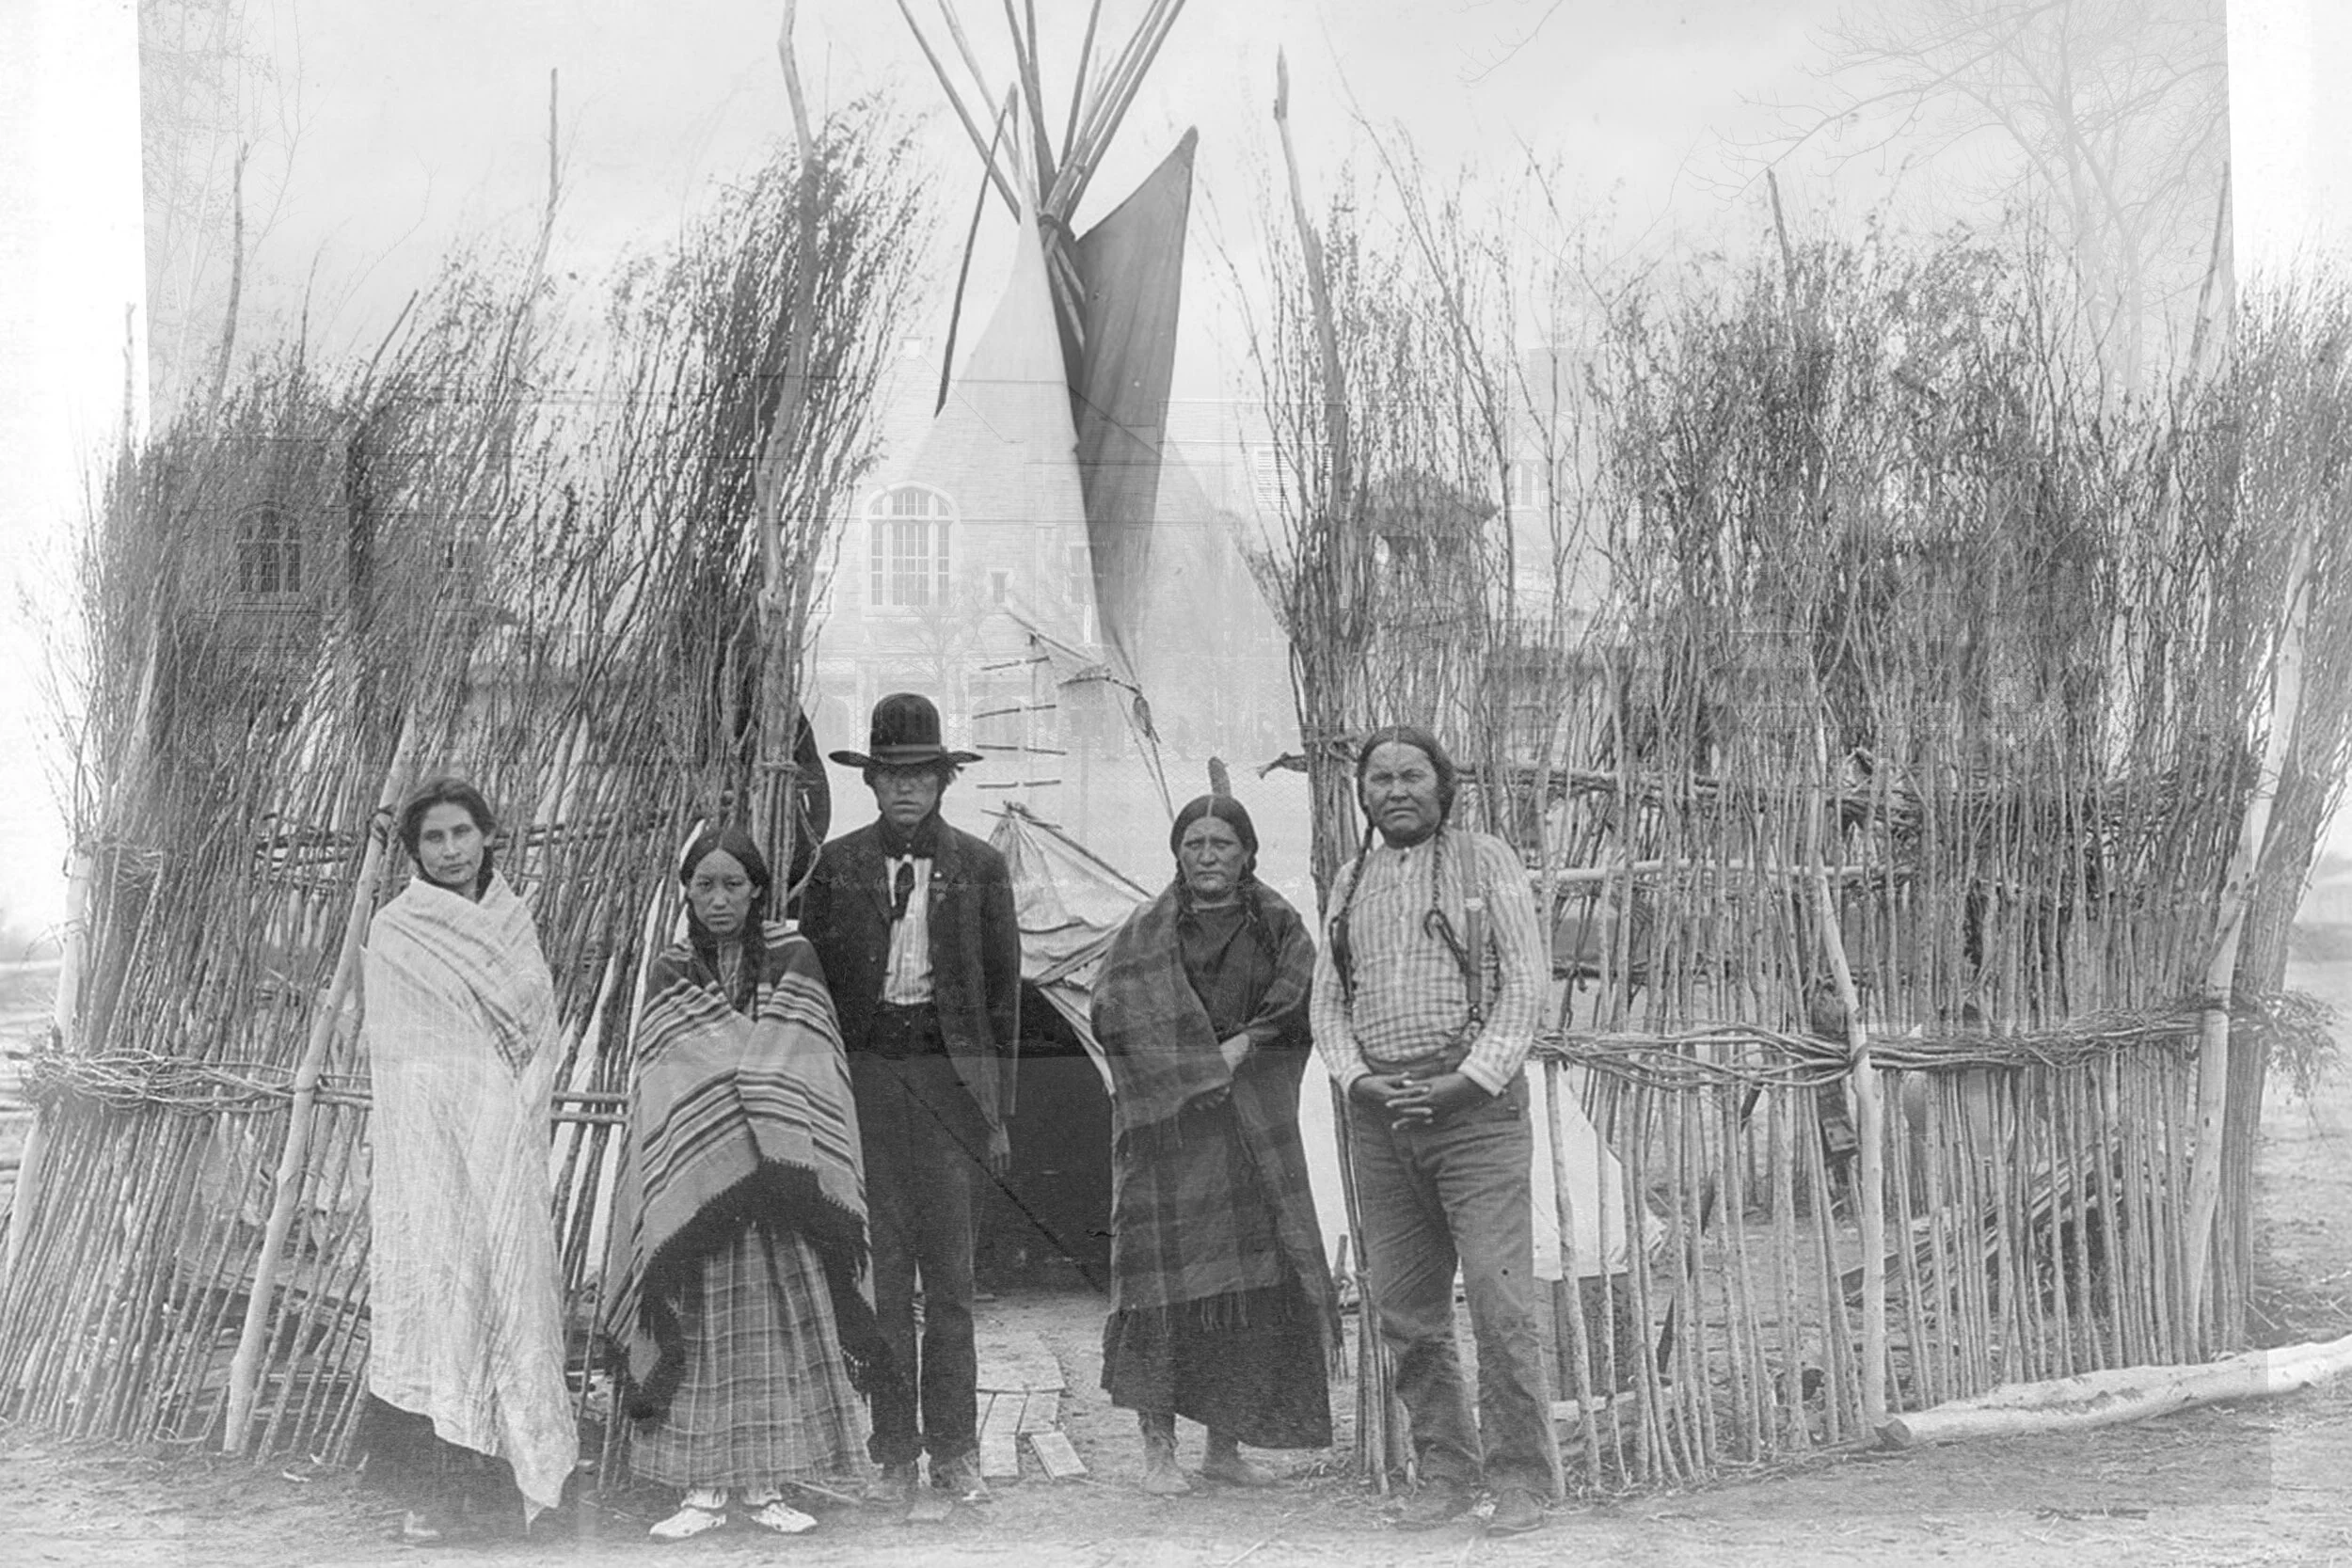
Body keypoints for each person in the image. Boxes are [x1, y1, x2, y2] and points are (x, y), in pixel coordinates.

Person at [1310, 727, 1561, 1537]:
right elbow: (1326, 1004)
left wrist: (1465, 1081)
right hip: (1384, 1118)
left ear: (1442, 786)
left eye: (1412, 775)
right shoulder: (1349, 881)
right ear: (1364, 795)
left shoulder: (1487, 860)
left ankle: (1522, 1477)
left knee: (1499, 1302)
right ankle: (1445, 1470)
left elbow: (1525, 984)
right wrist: (1359, 1080)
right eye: (1379, 778)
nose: (1396, 790)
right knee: (1406, 1310)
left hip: (1475, 1111)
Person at [604, 825, 883, 1539]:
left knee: (774, 1330)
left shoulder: (794, 957)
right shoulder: (671, 970)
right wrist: (749, 1087)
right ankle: (701, 1489)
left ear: (759, 888)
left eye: (734, 884)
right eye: (705, 885)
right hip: (698, 1192)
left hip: (777, 1187)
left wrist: (751, 1090)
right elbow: (669, 1073)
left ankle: (765, 1484)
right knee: (698, 1326)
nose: (719, 898)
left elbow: (806, 1054)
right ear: (687, 892)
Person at [801, 693, 1021, 1514]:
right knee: (882, 1281)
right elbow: (810, 987)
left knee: (952, 1285)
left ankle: (957, 1452)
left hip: (950, 1090)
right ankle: (893, 1450)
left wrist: (997, 1114)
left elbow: (1004, 1002)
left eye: (919, 775)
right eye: (890, 774)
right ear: (872, 781)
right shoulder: (836, 866)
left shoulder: (980, 866)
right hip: (866, 1087)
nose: (905, 790)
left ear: (942, 780)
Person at [1090, 794, 1337, 1496]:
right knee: (1159, 1297)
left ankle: (1222, 1450)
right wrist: (1198, 1066)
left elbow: (1302, 999)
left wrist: (1245, 1044)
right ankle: (1158, 1452)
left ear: (1247, 853)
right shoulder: (1143, 933)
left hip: (1249, 1131)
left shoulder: (1278, 925)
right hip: (1167, 1140)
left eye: (1222, 844)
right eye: (1194, 843)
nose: (1207, 856)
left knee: (1246, 1291)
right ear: (1177, 852)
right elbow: (1113, 1012)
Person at [358, 777, 579, 1544]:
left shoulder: (513, 923)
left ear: (489, 835)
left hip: (506, 1137)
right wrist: (456, 1103)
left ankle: (519, 1484)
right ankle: (440, 1496)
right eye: (433, 839)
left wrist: (505, 1111)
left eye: (462, 833)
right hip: (433, 1151)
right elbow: (401, 1051)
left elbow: (538, 1030)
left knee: (512, 1292)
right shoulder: (396, 933)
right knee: (441, 1296)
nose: (450, 851)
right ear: (414, 851)